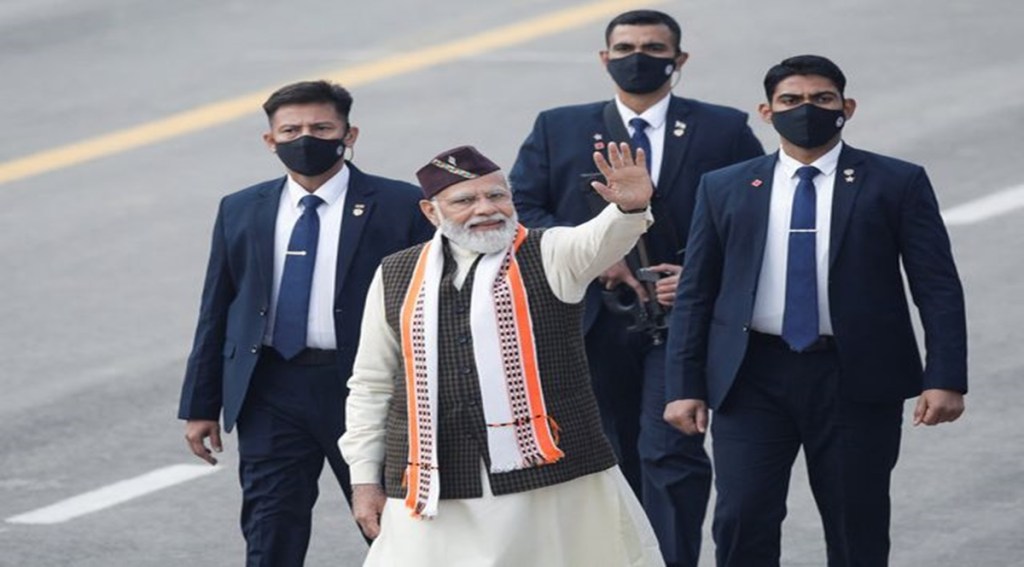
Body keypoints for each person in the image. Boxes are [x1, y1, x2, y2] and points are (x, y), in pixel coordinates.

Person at [663, 54, 968, 566]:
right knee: (741, 517)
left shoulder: (896, 181)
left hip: (854, 377)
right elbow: (696, 292)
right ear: (766, 112)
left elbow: (937, 286)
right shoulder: (725, 186)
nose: (806, 109)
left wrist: (946, 378)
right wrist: (684, 385)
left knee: (855, 521)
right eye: (791, 100)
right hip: (751, 376)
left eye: (822, 99)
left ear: (847, 107)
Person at [509, 9, 764, 566]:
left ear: (679, 59)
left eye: (653, 47)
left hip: (682, 322)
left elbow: (754, 214)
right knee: (607, 453)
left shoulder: (723, 128)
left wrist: (698, 276)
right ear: (605, 58)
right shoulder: (559, 127)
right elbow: (522, 210)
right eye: (624, 48)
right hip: (593, 323)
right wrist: (597, 253)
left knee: (670, 452)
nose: (638, 57)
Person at [339, 144, 665, 566]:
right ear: (430, 212)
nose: (486, 208)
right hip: (432, 482)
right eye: (465, 200)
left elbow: (599, 240)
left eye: (497, 195)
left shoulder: (550, 252)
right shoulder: (396, 273)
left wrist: (629, 210)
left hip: (549, 479)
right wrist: (364, 479)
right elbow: (372, 383)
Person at [177, 80, 434, 566]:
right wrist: (201, 404)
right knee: (270, 527)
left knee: (389, 528)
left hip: (366, 389)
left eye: (321, 128)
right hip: (271, 388)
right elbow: (218, 307)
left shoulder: (401, 205)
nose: (305, 139)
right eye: (290, 130)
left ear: (349, 135)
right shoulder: (241, 207)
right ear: (270, 140)